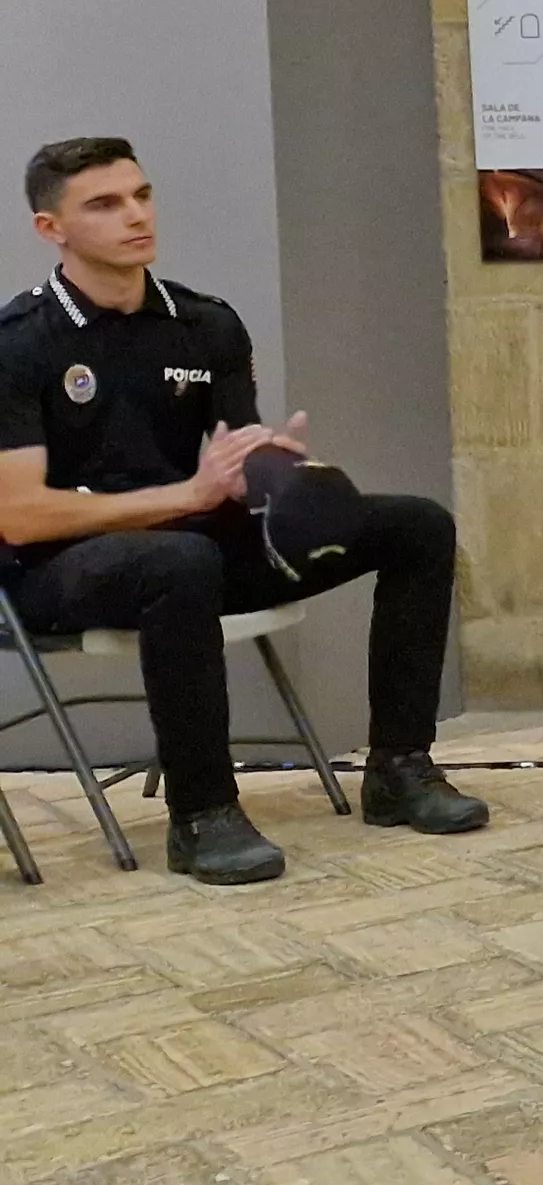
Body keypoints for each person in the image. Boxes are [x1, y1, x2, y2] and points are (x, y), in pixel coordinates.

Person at [0, 138, 487, 885]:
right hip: (54, 570)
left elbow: (231, 471)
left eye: (141, 195)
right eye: (104, 204)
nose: (136, 216)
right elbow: (21, 518)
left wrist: (281, 473)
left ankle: (399, 768)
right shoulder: (19, 345)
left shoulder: (205, 326)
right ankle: (202, 817)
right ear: (50, 229)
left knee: (416, 523)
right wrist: (187, 498)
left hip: (185, 551)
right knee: (180, 558)